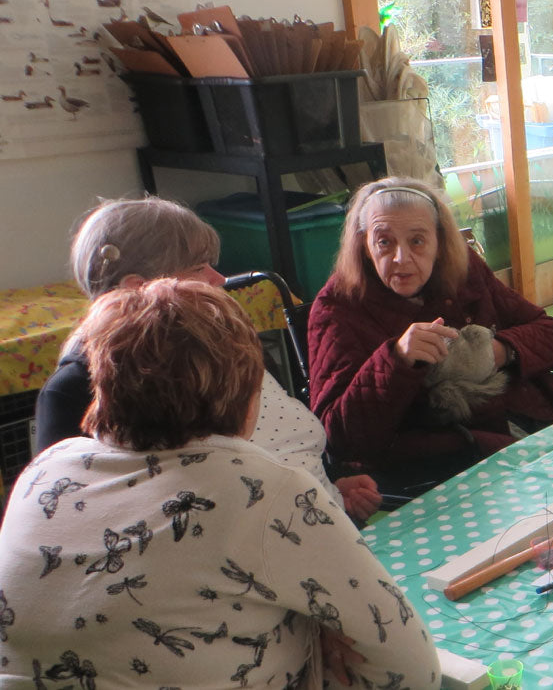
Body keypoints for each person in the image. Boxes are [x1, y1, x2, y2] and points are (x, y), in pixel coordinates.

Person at [0, 280, 440, 687]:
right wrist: (311, 634)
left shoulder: (43, 471)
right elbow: (413, 669)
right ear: (246, 395)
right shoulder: (259, 486)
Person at [33, 197, 382, 521]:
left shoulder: (221, 348)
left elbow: (283, 442)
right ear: (137, 288)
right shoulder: (74, 392)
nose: (220, 279)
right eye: (199, 268)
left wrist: (329, 485)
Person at [308, 177, 553, 490]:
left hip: (515, 407)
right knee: (535, 479)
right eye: (384, 242)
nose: (401, 258)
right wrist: (396, 360)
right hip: (441, 447)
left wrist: (495, 352)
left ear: (439, 242)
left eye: (417, 241)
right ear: (364, 246)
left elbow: (549, 332)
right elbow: (336, 436)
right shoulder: (336, 308)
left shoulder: (463, 268)